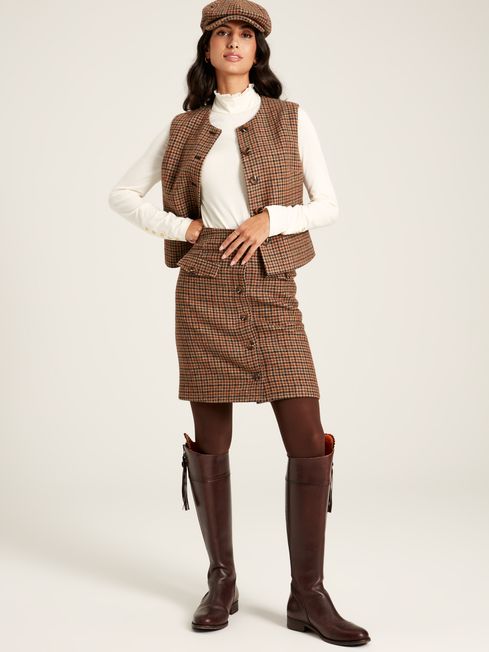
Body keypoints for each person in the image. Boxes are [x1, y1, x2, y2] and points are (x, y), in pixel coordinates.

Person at [108, 0, 371, 645]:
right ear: (207, 48)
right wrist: (185, 229)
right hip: (205, 292)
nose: (234, 43)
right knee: (211, 441)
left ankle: (308, 595)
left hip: (272, 287)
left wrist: (269, 220)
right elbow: (122, 195)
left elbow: (328, 205)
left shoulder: (290, 118)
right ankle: (221, 580)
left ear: (258, 50)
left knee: (306, 440)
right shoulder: (184, 128)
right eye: (223, 33)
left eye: (245, 35)